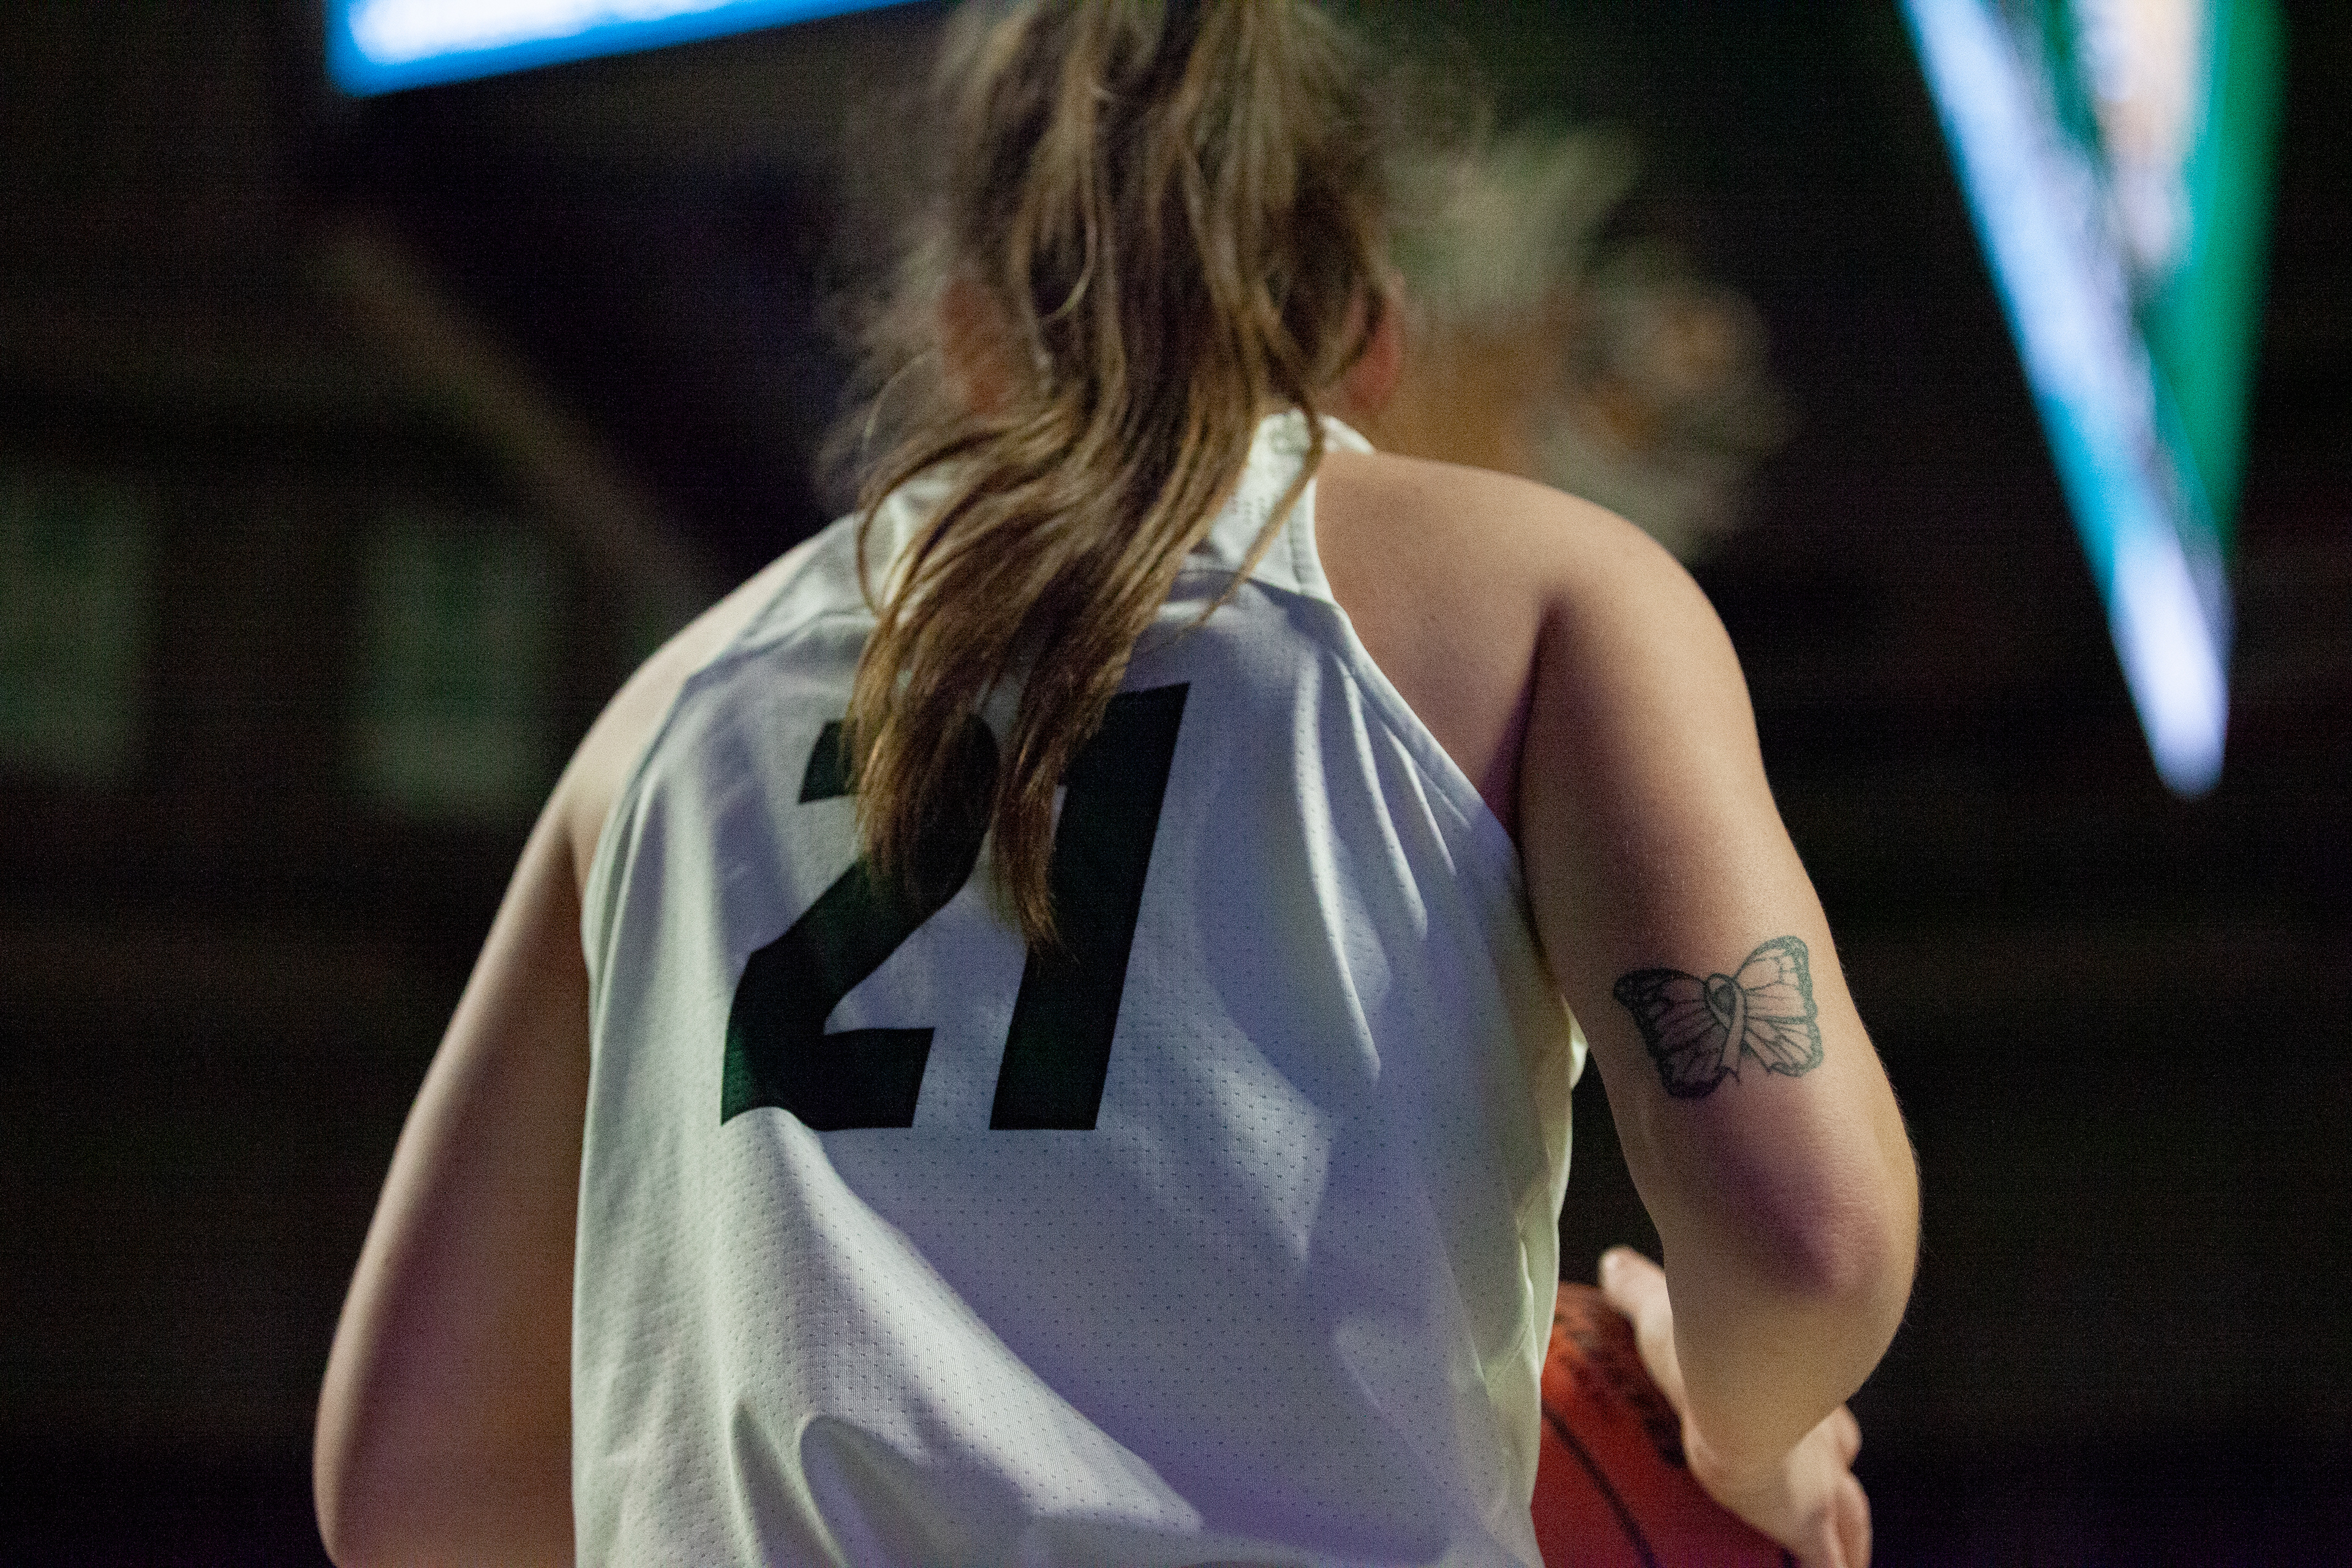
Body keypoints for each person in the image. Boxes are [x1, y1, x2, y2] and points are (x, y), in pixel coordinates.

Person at [313, 4, 1917, 1565]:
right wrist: (1731, 1430)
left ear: (954, 331)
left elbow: (414, 1491)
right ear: (1370, 329)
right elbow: (1808, 1247)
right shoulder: (1547, 589)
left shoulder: (655, 718)